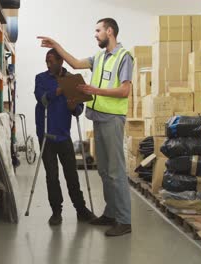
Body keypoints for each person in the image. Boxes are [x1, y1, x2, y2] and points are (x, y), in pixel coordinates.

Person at [38, 17, 133, 236]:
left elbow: (124, 91)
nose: (95, 34)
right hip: (98, 118)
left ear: (109, 31)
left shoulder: (123, 57)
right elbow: (75, 63)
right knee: (104, 171)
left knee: (116, 171)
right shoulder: (99, 57)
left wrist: (95, 91)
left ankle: (124, 220)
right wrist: (57, 46)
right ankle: (110, 214)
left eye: (98, 30)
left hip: (112, 118)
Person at [35, 49, 96, 226]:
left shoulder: (72, 80)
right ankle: (56, 212)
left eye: (51, 61)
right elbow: (41, 99)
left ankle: (81, 210)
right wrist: (58, 91)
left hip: (64, 135)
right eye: (46, 61)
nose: (48, 64)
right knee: (52, 176)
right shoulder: (41, 78)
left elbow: (78, 110)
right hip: (46, 135)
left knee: (71, 175)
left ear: (61, 61)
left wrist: (72, 107)